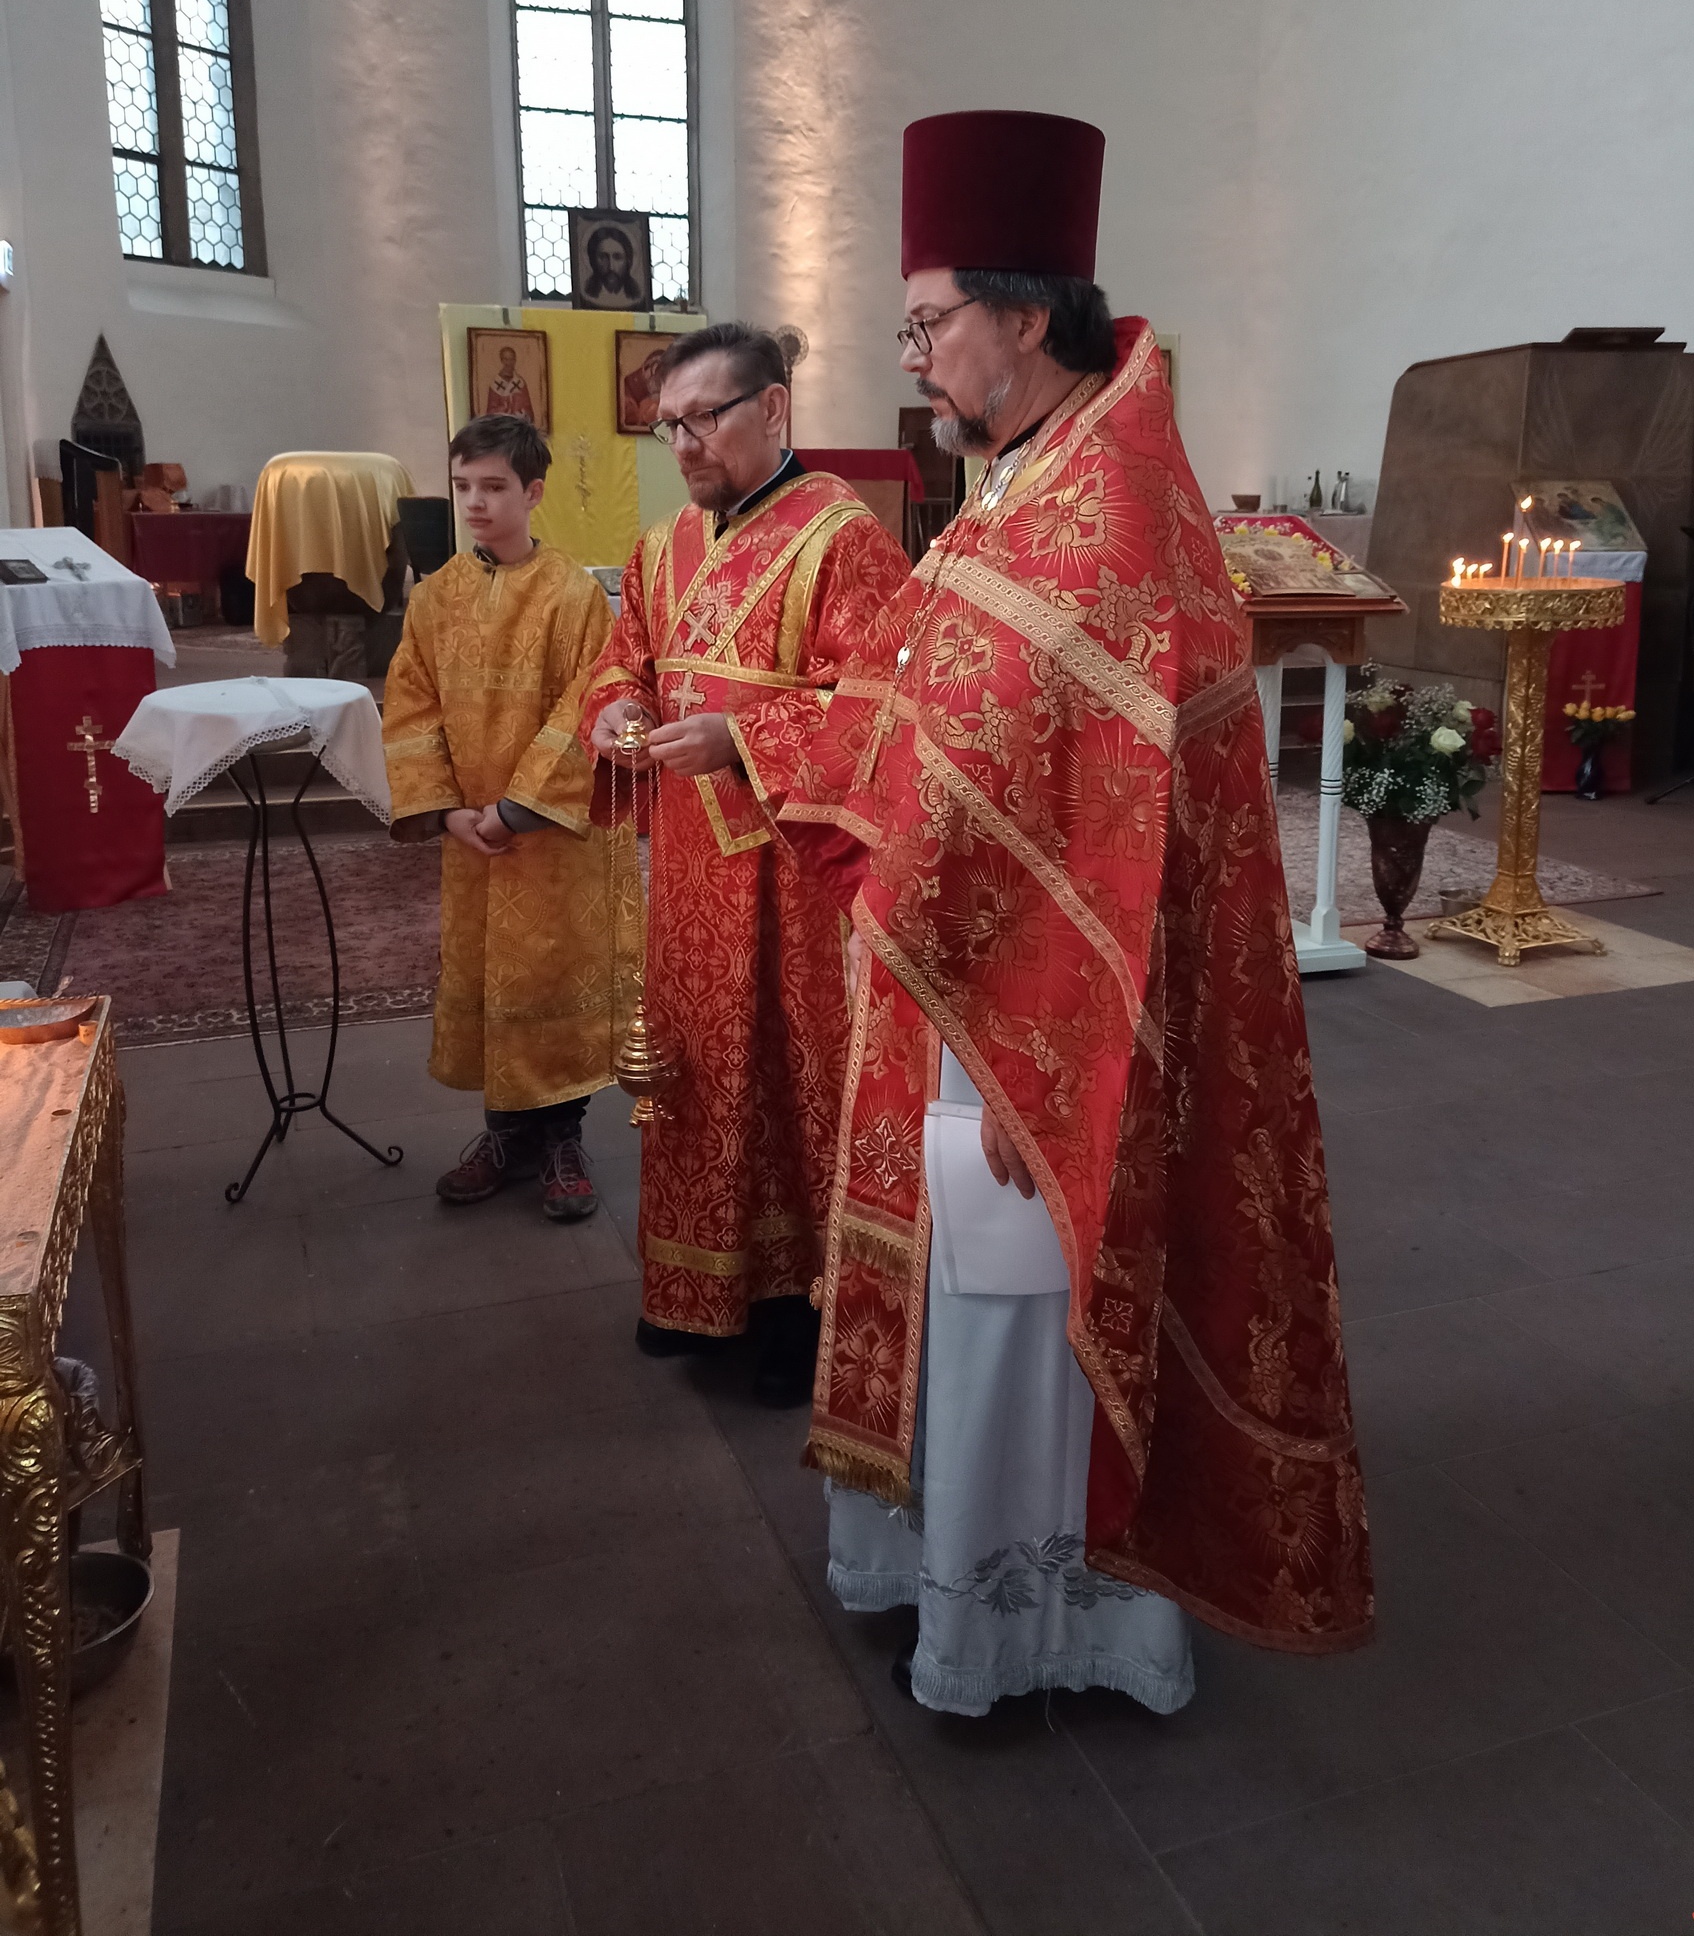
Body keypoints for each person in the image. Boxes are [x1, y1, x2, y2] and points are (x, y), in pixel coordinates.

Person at [773, 110, 1374, 1713]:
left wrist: (1032, 1053)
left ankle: (1034, 1626)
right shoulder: (1018, 479)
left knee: (1025, 1309)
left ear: (1028, 319)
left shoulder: (1110, 507)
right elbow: (919, 697)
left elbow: (1075, 804)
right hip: (960, 979)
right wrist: (767, 741)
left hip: (1047, 1016)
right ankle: (947, 1577)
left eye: (929, 324)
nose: (916, 359)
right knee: (969, 1300)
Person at [584, 323, 911, 1404]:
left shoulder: (841, 537)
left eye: (704, 418)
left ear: (772, 409)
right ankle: (695, 1295)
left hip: (792, 876)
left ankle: (794, 1313)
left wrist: (743, 736)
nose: (683, 444)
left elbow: (882, 704)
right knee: (695, 1069)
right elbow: (623, 660)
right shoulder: (661, 545)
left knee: (784, 1073)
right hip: (688, 867)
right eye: (668, 425)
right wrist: (614, 708)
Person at [383, 413, 630, 1220]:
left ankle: (562, 1138)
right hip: (472, 836)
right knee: (491, 975)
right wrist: (448, 811)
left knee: (551, 973)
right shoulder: (435, 598)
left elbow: (588, 702)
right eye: (463, 487)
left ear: (534, 492)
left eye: (494, 487)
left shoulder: (572, 594)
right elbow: (411, 705)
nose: (475, 503)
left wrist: (518, 809)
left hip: (550, 837)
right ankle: (504, 1137)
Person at [583, 225, 642, 306]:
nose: (611, 267)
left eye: (617, 257)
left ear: (628, 260)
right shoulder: (587, 294)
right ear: (593, 260)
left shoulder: (635, 296)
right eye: (603, 257)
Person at [483, 345, 535, 421]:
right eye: (506, 359)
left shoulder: (520, 383)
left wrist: (523, 413)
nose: (509, 363)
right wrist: (503, 408)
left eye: (512, 359)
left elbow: (529, 410)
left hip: (518, 424)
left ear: (515, 360)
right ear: (501, 360)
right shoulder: (495, 384)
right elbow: (490, 413)